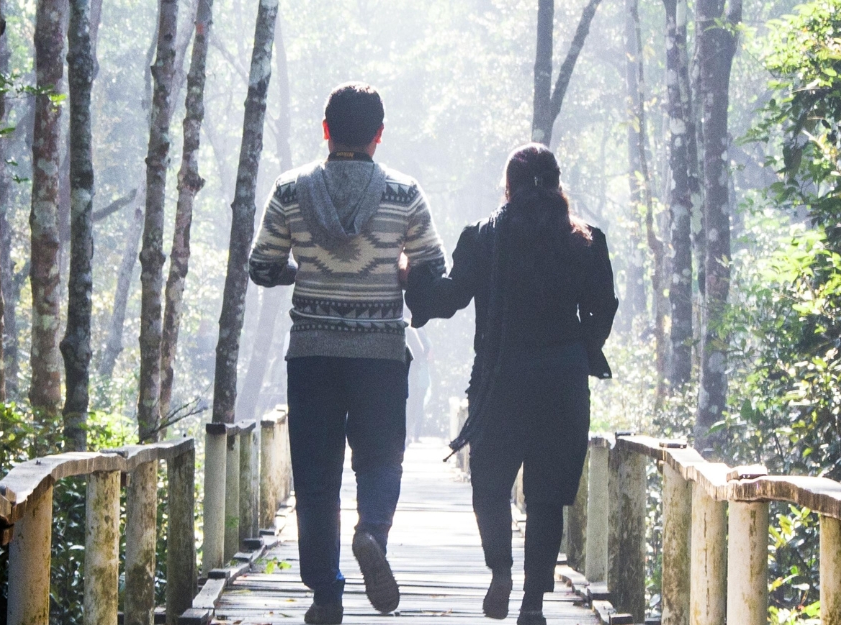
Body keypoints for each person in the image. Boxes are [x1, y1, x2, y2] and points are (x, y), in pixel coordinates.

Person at [247, 82, 445, 624]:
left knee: (316, 476)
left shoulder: (290, 191)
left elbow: (262, 268)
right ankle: (371, 532)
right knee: (381, 460)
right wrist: (397, 270)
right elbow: (432, 266)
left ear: (326, 129)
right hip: (381, 353)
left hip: (311, 355)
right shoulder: (405, 194)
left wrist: (304, 269)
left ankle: (326, 595)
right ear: (379, 135)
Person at [408, 143, 618, 625]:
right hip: (562, 383)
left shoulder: (484, 238)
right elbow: (603, 309)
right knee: (547, 497)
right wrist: (579, 347)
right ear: (558, 184)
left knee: (490, 485)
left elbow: (446, 299)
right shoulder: (585, 242)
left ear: (507, 187)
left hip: (501, 381)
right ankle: (532, 606)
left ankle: (500, 570)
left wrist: (412, 275)